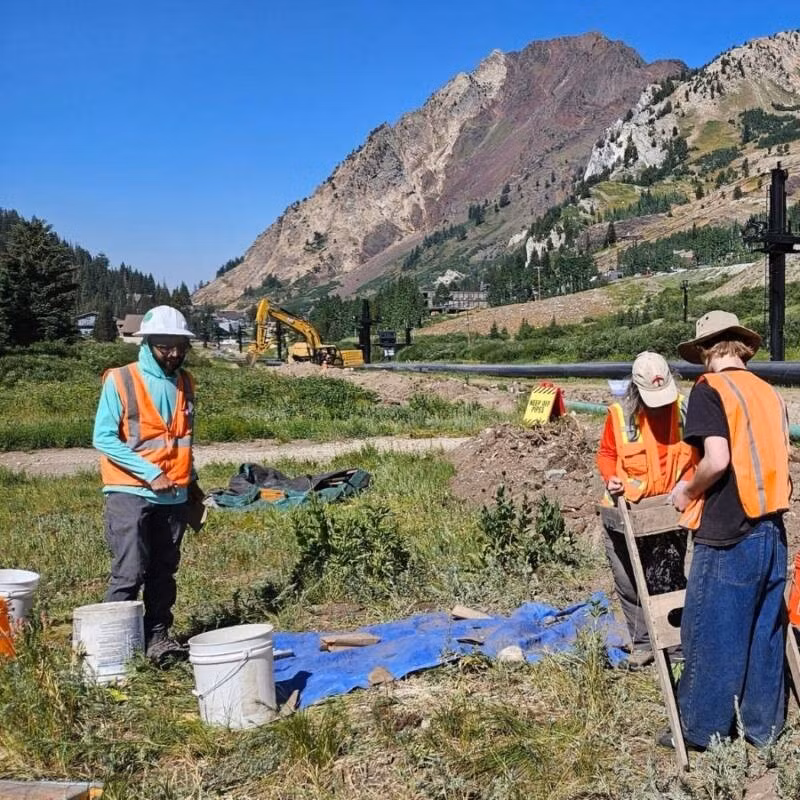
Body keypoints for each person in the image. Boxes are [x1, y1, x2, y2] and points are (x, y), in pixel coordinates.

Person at [664, 310, 790, 750]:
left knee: (710, 631)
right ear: (741, 347)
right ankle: (763, 730)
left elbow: (717, 459)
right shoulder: (768, 392)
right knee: (764, 633)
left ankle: (702, 730)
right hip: (772, 530)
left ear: (705, 350)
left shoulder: (709, 389)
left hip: (728, 531)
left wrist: (686, 490)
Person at [93, 306, 203, 665]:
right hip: (130, 490)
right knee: (130, 571)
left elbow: (182, 439)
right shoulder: (121, 380)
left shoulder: (186, 382)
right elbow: (103, 437)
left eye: (180, 347)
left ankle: (157, 639)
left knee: (163, 571)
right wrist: (150, 473)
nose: (173, 354)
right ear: (148, 344)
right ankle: (110, 651)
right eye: (165, 347)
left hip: (173, 494)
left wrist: (192, 484)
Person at [596, 351, 692, 666]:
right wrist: (610, 478)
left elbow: (698, 457)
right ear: (636, 391)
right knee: (627, 581)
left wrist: (686, 484)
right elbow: (607, 453)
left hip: (668, 510)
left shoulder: (683, 410)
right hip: (624, 510)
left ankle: (676, 647)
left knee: (666, 579)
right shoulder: (619, 415)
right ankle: (642, 644)